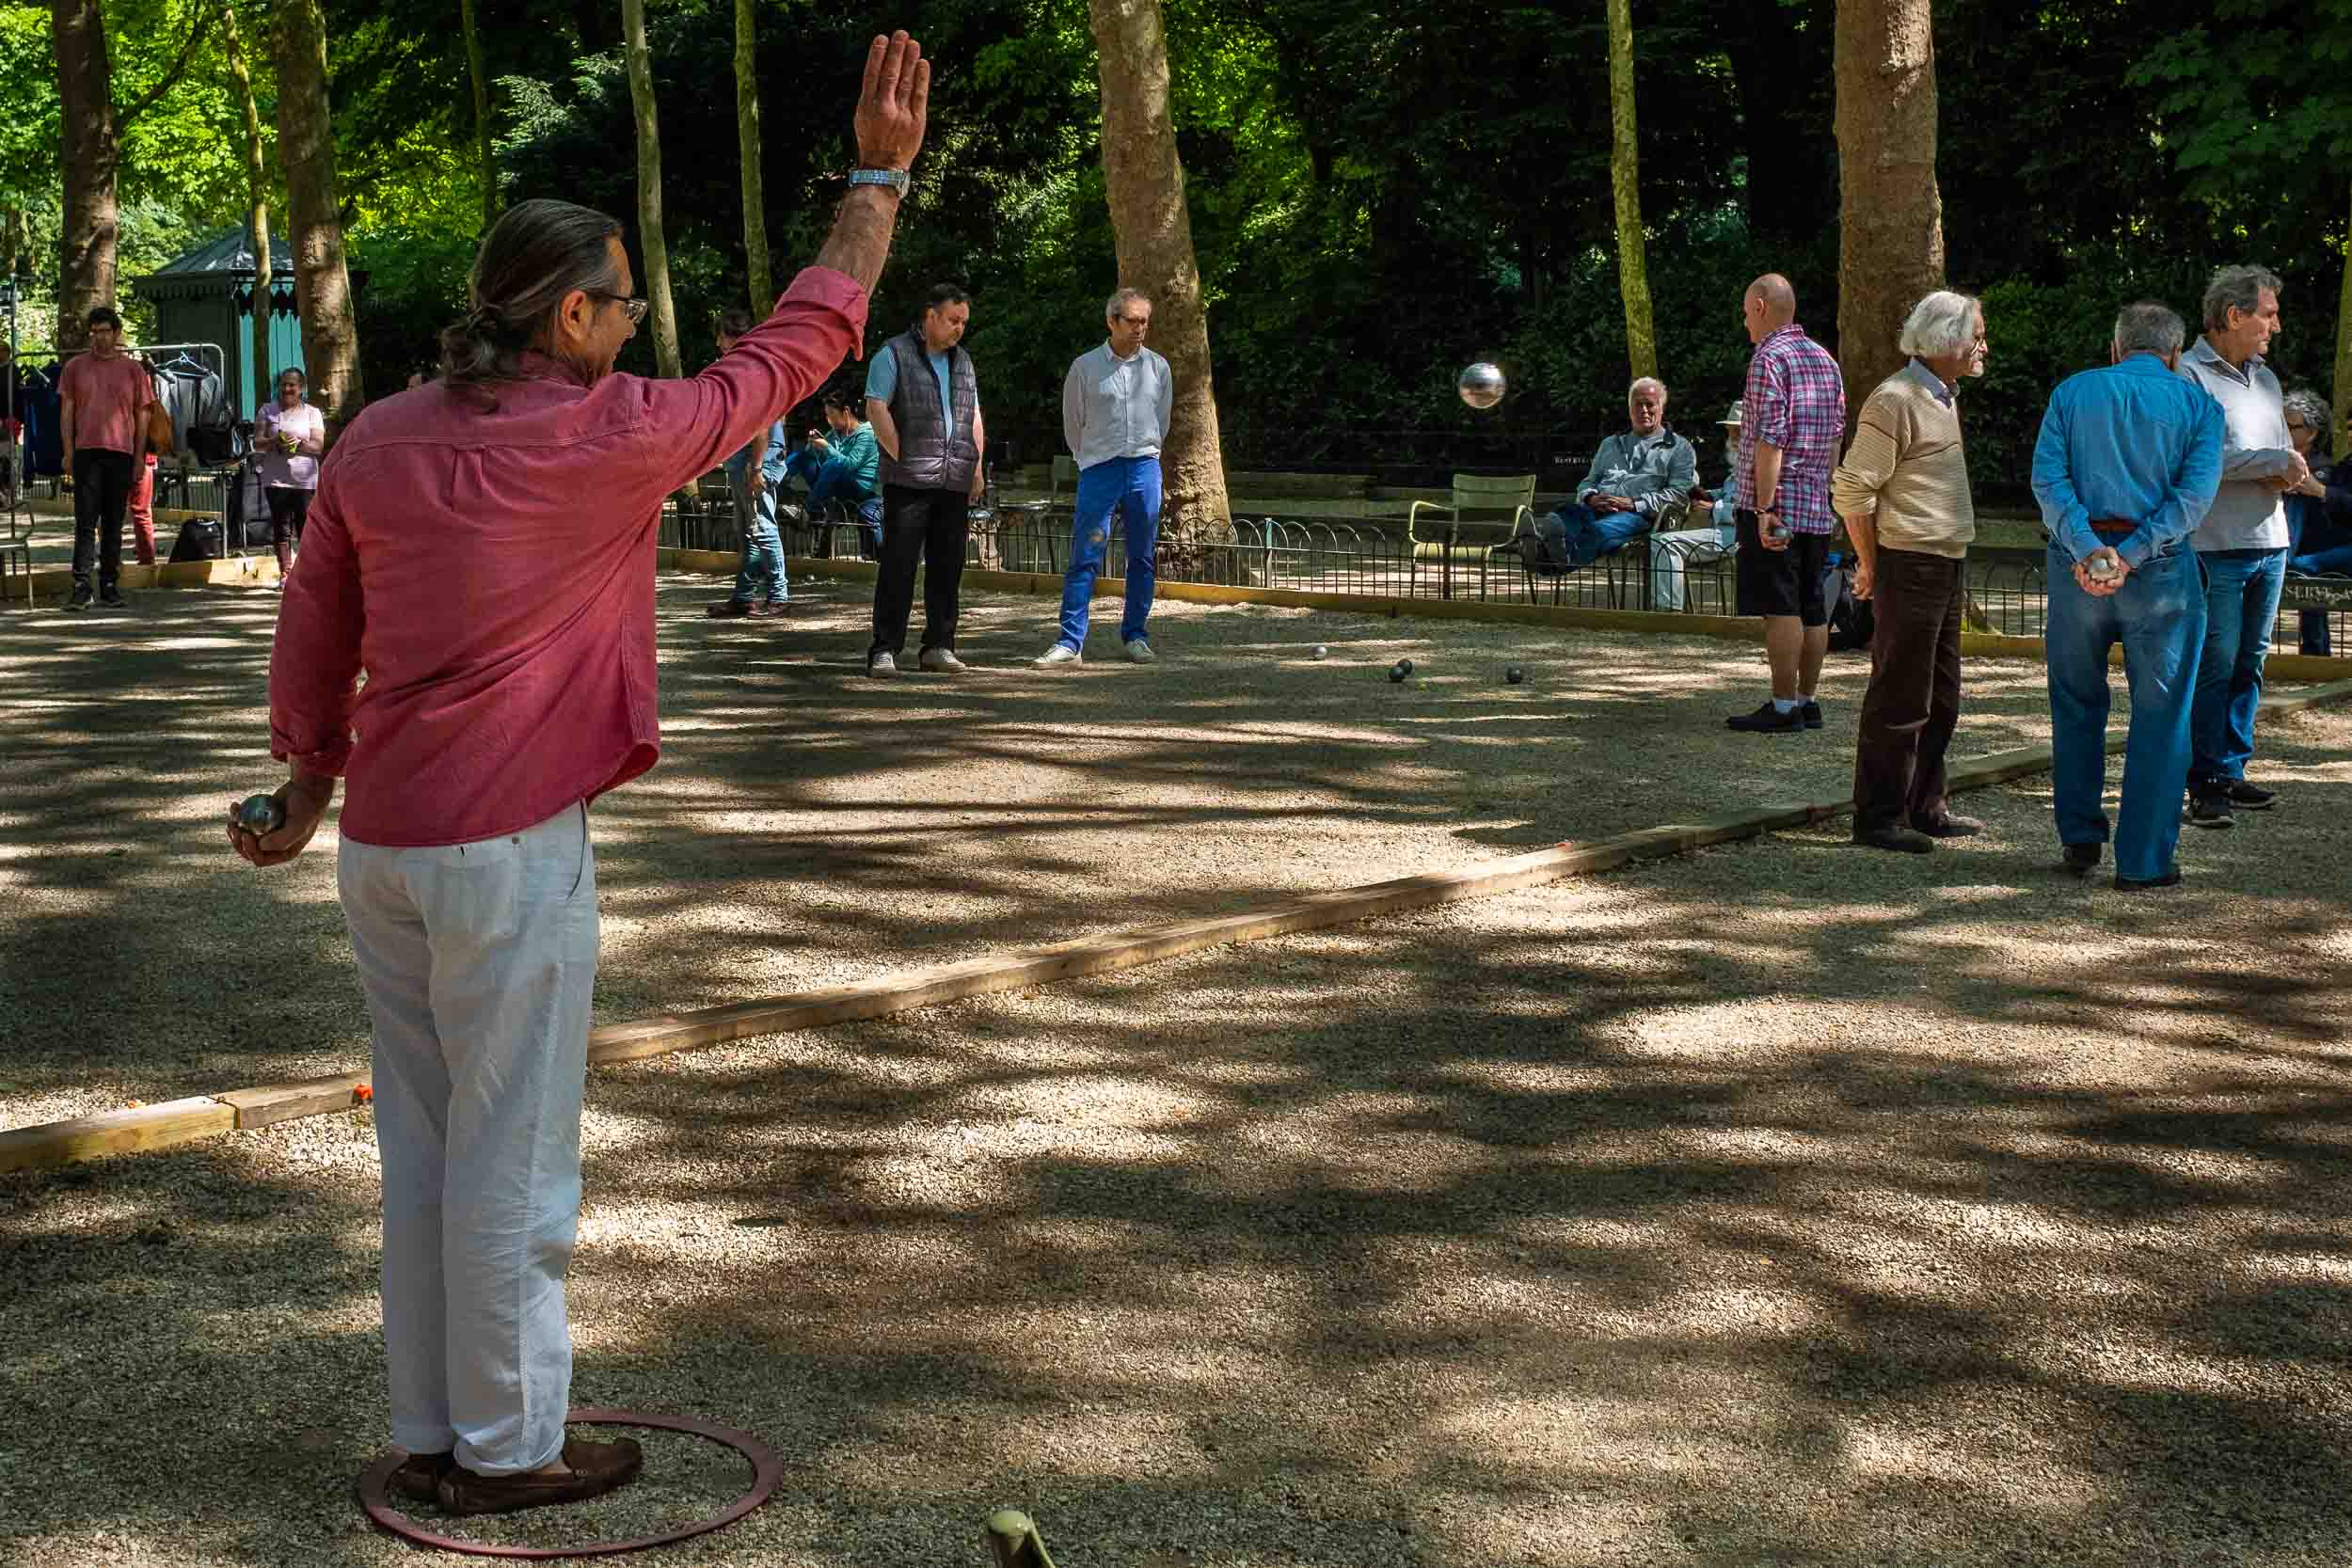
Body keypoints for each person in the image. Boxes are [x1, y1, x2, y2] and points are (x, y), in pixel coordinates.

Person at [226, 32, 930, 1517]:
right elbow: (796, 348)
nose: (631, 323)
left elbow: (315, 622)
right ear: (566, 315)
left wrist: (304, 781)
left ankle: (435, 1421)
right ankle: (510, 1447)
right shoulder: (613, 433)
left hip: (386, 848)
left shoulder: (376, 439)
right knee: (516, 1160)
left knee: (420, 1145)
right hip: (510, 848)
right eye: (616, 301)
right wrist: (875, 179)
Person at [2031, 300, 2222, 889]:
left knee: (2075, 702)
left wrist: (2091, 551)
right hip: (2160, 570)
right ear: (2173, 354)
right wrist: (2133, 554)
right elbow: (2192, 500)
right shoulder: (2200, 405)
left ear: (2115, 349)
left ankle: (2080, 838)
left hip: (2077, 567)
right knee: (2164, 717)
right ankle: (2143, 862)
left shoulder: (2071, 392)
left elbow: (2048, 479)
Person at [1831, 291, 1989, 853]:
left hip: (1944, 562)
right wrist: (1871, 563)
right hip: (1911, 561)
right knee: (1900, 696)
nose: (1983, 347)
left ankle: (1925, 805)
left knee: (1942, 697)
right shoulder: (1896, 399)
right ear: (1948, 340)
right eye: (1977, 335)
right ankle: (1877, 817)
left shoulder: (1942, 397)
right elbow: (1851, 487)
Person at [2174, 264, 2296, 829]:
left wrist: (2285, 470)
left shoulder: (2267, 380)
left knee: (2251, 662)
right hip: (2215, 545)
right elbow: (2196, 462)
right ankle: (2203, 783)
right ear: (2233, 316)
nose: (2274, 326)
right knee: (2215, 665)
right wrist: (2273, 465)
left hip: (2270, 540)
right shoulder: (2190, 377)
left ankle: (2231, 767)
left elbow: (2282, 453)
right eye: (2267, 315)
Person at [1724, 274, 1846, 733]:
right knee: (1813, 606)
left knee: (1782, 608)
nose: (1744, 323)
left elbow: (1768, 439)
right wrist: (1827, 493)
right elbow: (1835, 436)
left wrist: (1764, 508)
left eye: (1744, 312)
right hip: (1815, 503)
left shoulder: (1768, 359)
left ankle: (1781, 708)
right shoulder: (1824, 359)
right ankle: (1807, 700)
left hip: (1778, 508)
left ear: (1759, 306)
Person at [1036, 287, 1172, 666]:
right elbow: (1072, 422)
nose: (1140, 328)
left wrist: (1145, 452)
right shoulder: (1085, 367)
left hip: (1143, 467)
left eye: (1145, 321)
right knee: (1085, 555)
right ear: (1111, 321)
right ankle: (1070, 641)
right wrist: (1088, 459)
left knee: (1142, 556)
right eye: (1132, 321)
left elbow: (1162, 420)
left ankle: (1135, 635)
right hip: (1100, 469)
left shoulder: (1158, 367)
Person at [866, 281, 986, 675]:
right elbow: (875, 406)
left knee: (947, 567)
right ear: (930, 316)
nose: (959, 329)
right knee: (898, 566)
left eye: (964, 322)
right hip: (909, 480)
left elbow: (973, 416)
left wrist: (977, 467)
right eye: (953, 320)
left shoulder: (963, 361)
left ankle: (939, 645)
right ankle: (885, 648)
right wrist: (900, 453)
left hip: (954, 478)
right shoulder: (893, 354)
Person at [1539, 378, 1696, 573]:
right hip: (1596, 509)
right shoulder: (1610, 444)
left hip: (1640, 517)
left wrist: (1632, 503)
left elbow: (1679, 496)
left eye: (1650, 404)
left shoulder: (1680, 448)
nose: (1644, 410)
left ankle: (1544, 560)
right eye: (1638, 404)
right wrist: (1591, 497)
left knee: (1598, 531)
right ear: (1630, 408)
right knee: (1566, 513)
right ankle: (1546, 549)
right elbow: (1588, 482)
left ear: (1661, 408)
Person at [58, 305, 157, 610]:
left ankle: (110, 584)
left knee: (114, 522)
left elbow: (143, 416)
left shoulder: (133, 370)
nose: (99, 338)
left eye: (104, 331)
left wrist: (139, 456)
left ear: (116, 333)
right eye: (94, 332)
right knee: (85, 521)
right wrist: (68, 452)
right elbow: (67, 412)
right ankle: (81, 585)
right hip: (87, 452)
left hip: (121, 453)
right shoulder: (75, 367)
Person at [707, 307, 789, 618]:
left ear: (734, 338)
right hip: (745, 460)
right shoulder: (757, 366)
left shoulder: (749, 370)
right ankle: (744, 596)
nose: (718, 344)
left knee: (763, 528)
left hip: (756, 461)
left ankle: (779, 596)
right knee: (748, 532)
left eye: (722, 336)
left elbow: (761, 424)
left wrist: (756, 467)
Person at [1648, 402, 1742, 611]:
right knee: (1661, 540)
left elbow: (1752, 509)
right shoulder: (1742, 465)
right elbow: (1729, 493)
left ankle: (1669, 610)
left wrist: (1714, 508)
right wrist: (1701, 492)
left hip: (1738, 536)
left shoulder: (1755, 467)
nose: (1733, 438)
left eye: (1739, 431)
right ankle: (1668, 608)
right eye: (1731, 431)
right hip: (1726, 532)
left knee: (1665, 542)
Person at [2281, 388, 2351, 654]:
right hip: (2312, 548)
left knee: (2304, 567)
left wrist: (2318, 490)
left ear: (2312, 433)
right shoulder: (2344, 466)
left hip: (2319, 550)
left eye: (2291, 427)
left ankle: (2315, 651)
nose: (2284, 431)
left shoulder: (2326, 469)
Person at [784, 386, 884, 558]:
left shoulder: (866, 434)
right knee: (802, 457)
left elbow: (850, 464)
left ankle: (807, 510)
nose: (829, 420)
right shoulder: (835, 432)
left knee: (833, 465)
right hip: (835, 484)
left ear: (845, 412)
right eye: (827, 416)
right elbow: (819, 459)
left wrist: (827, 448)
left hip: (860, 486)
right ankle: (778, 483)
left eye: (832, 415)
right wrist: (813, 446)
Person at [258, 367, 327, 582]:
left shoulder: (312, 413)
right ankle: (286, 573)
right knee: (281, 528)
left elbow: (318, 447)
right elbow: (257, 442)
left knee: (305, 528)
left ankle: (307, 573)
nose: (287, 389)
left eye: (292, 385)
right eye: (283, 384)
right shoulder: (266, 411)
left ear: (301, 388)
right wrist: (273, 442)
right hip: (276, 480)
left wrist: (297, 445)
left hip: (305, 481)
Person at [124, 400, 177, 568]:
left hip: (121, 454)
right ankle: (147, 562)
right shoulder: (144, 383)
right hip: (144, 457)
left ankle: (111, 561)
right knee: (141, 512)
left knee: (111, 512)